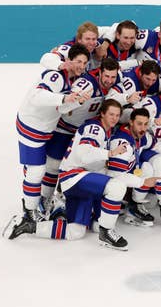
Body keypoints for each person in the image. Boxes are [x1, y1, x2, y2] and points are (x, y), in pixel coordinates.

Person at [4, 100, 158, 250]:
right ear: (102, 114)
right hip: (74, 176)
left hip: (84, 182)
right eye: (111, 114)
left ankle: (28, 226)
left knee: (76, 231)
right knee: (116, 187)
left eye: (117, 115)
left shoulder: (109, 132)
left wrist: (141, 181)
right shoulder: (95, 128)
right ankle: (106, 233)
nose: (114, 118)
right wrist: (110, 153)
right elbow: (84, 153)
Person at [15, 44, 91, 222]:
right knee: (36, 171)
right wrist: (64, 98)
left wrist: (77, 102)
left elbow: (62, 109)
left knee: (39, 168)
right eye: (78, 61)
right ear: (69, 61)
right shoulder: (56, 76)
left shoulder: (75, 80)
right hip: (32, 126)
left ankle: (35, 201)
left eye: (85, 62)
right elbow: (37, 96)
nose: (81, 65)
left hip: (46, 129)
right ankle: (29, 211)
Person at [42, 57, 120, 218]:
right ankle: (44, 200)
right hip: (64, 130)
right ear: (100, 72)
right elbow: (62, 107)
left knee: (79, 166)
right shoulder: (87, 84)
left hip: (83, 132)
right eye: (106, 76)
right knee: (53, 167)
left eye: (113, 77)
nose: (109, 80)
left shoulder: (114, 82)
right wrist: (76, 100)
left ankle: (63, 200)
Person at [40, 21, 106, 72]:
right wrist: (62, 65)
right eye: (87, 39)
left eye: (94, 39)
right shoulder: (68, 48)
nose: (91, 43)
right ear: (79, 39)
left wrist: (105, 44)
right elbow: (45, 59)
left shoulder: (95, 44)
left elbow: (113, 29)